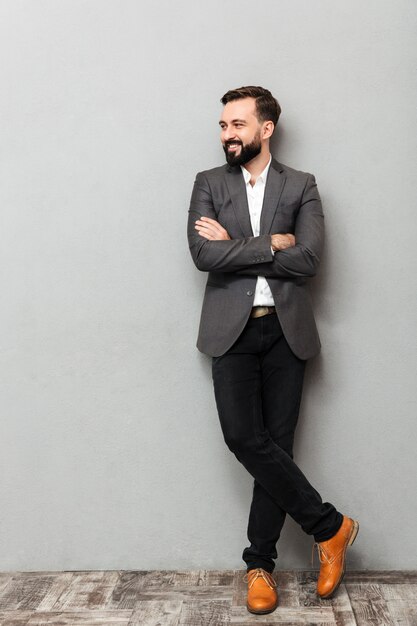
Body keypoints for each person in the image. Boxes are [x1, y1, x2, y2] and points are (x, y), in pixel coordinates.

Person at [187, 85, 359, 615]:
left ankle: (259, 564)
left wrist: (235, 249)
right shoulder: (209, 183)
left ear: (266, 129)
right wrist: (269, 243)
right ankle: (331, 527)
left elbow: (307, 261)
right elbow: (201, 253)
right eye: (222, 125)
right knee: (246, 438)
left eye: (237, 124)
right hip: (231, 332)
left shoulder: (301, 185)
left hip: (286, 331)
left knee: (275, 447)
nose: (226, 134)